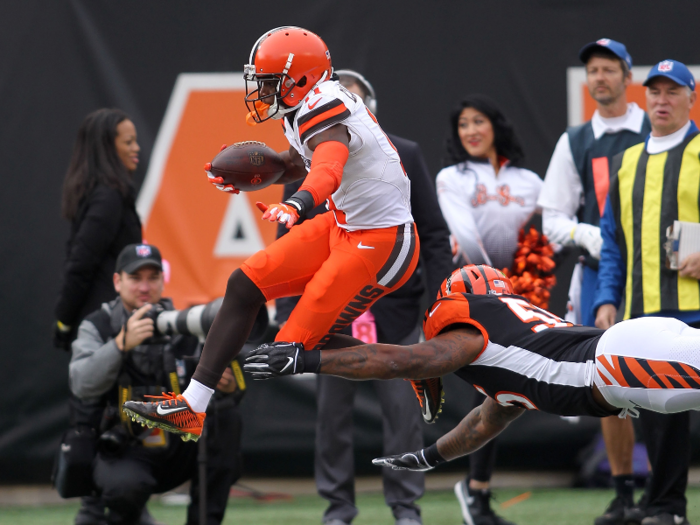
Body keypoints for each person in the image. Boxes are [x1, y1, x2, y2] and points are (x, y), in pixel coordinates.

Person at [122, 27, 419, 447]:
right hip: (344, 225)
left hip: (382, 240)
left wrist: (296, 205)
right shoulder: (307, 105)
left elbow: (328, 168)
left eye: (267, 81)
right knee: (245, 285)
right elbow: (299, 162)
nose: (260, 90)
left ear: (298, 78)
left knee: (290, 349)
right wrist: (254, 175)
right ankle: (192, 405)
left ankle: (413, 365)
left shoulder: (326, 106)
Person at [243, 264, 700, 494]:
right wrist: (427, 456)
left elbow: (401, 362)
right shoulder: (511, 358)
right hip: (633, 353)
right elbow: (480, 426)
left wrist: (306, 361)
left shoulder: (470, 329)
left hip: (620, 364)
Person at [274, 69, 453, 525]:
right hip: (332, 308)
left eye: (348, 103)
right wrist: (287, 310)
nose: (336, 114)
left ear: (367, 111)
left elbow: (432, 233)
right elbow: (288, 242)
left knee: (402, 414)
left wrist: (440, 302)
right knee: (331, 418)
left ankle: (405, 505)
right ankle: (338, 506)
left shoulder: (403, 154)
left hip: (394, 305)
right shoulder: (305, 161)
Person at [537, 38, 651, 525]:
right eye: (593, 70)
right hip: (600, 278)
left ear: (628, 76)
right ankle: (624, 490)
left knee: (665, 378)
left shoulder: (656, 129)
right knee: (613, 387)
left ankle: (666, 492)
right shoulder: (575, 140)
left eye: (608, 69)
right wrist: (595, 237)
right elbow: (552, 218)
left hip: (657, 278)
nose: (600, 77)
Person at [593, 59, 700, 525]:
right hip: (645, 313)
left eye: (672, 92)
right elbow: (612, 242)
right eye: (654, 92)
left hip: (696, 308)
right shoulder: (625, 162)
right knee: (660, 418)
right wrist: (606, 299)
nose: (662, 100)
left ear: (690, 99)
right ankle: (665, 507)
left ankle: (664, 506)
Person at [70, 244, 243, 525]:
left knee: (226, 420)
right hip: (123, 445)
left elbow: (230, 390)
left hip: (176, 440)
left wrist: (227, 387)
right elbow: (81, 383)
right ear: (118, 281)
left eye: (153, 277)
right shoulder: (99, 325)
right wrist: (120, 344)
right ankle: (125, 514)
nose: (144, 286)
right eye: (135, 278)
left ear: (163, 281)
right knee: (125, 489)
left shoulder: (179, 324)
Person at [435, 95, 541, 525]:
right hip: (474, 294)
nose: (471, 131)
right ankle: (475, 491)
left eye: (479, 121)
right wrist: (498, 285)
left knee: (506, 387)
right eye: (463, 124)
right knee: (491, 384)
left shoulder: (529, 180)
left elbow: (543, 235)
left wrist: (525, 284)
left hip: (521, 295)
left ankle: (477, 491)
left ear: (496, 125)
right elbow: (464, 234)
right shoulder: (451, 177)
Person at [54, 108, 144, 524]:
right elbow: (80, 264)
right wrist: (65, 323)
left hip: (112, 329)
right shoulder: (108, 196)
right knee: (99, 434)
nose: (136, 148)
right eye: (128, 141)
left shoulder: (107, 192)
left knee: (121, 439)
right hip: (104, 331)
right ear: (107, 149)